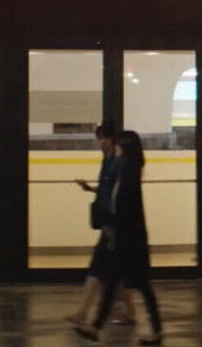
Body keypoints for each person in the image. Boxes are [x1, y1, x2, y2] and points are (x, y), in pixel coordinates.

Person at [75, 130, 162, 346]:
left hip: (130, 241)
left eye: (119, 147)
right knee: (114, 282)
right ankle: (95, 327)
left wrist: (113, 227)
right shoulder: (125, 172)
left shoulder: (129, 175)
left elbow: (125, 209)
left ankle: (156, 331)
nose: (117, 151)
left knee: (142, 286)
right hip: (124, 238)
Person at [66, 121, 136, 328]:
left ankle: (85, 313)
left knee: (98, 267)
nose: (102, 142)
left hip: (114, 223)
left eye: (105, 138)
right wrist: (90, 189)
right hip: (109, 221)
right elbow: (107, 189)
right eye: (100, 138)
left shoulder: (118, 162)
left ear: (113, 139)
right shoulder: (107, 160)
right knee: (113, 270)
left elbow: (117, 191)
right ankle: (129, 312)